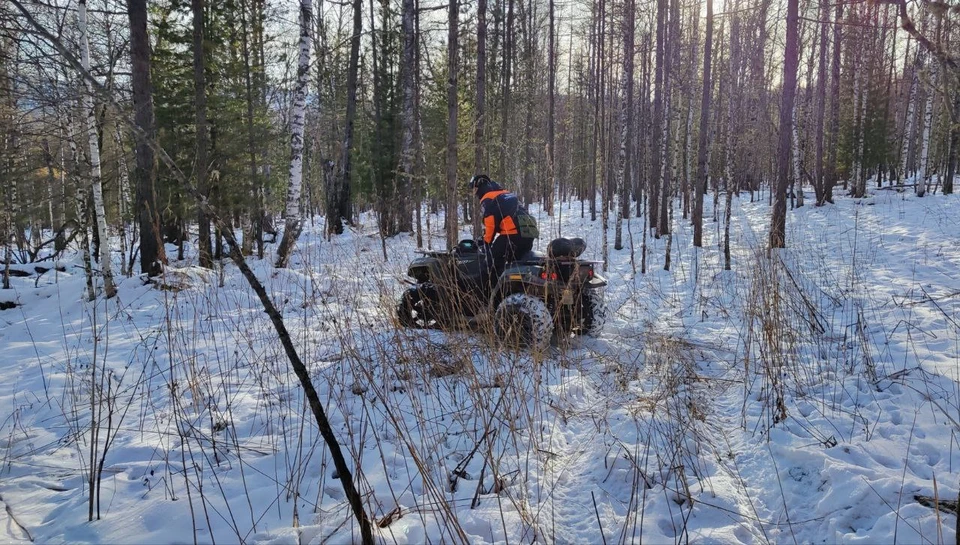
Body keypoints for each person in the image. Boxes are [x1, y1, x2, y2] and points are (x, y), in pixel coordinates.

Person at [468, 174, 539, 286]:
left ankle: (487, 292)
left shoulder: (487, 198)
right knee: (516, 263)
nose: (474, 193)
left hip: (512, 234)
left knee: (491, 264)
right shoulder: (505, 194)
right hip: (529, 234)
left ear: (479, 187)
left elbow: (491, 223)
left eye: (474, 189)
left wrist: (486, 242)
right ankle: (515, 288)